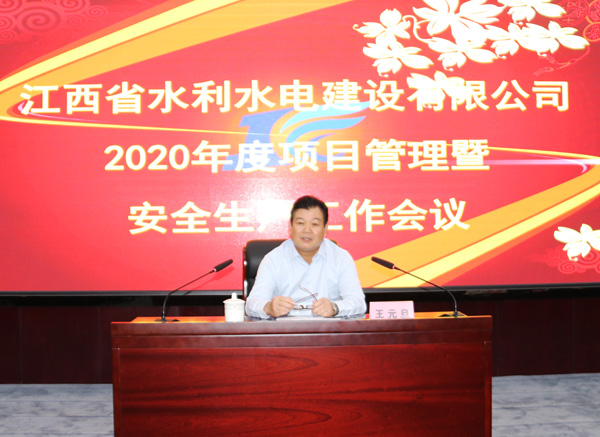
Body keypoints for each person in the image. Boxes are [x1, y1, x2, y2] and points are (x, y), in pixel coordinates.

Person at [245, 195, 367, 319]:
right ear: (291, 227)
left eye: (315, 224)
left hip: (329, 329)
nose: (307, 230)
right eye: (300, 223)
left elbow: (358, 302)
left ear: (325, 229)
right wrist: (268, 307)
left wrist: (335, 307)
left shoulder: (340, 258)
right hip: (285, 329)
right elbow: (251, 304)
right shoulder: (273, 259)